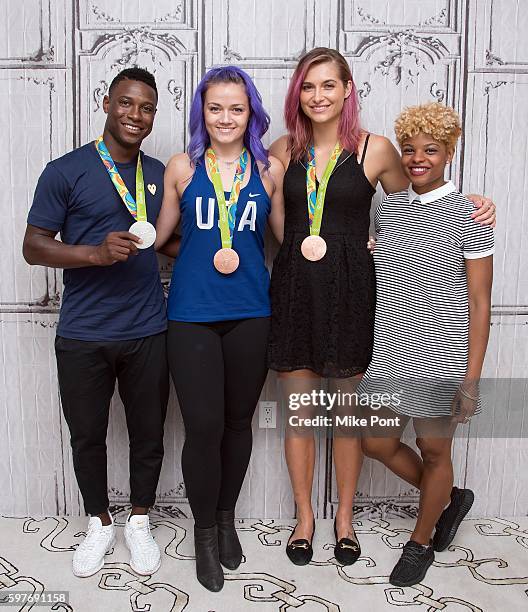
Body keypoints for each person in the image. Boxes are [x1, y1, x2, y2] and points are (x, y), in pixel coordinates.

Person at [267, 47, 496, 567]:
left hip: (353, 297)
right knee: (300, 417)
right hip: (296, 290)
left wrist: (477, 204)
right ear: (297, 94)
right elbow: (260, 204)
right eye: (308, 86)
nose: (318, 95)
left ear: (348, 89)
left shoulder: (377, 149)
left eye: (329, 84)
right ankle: (305, 519)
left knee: (349, 419)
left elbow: (419, 199)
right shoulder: (283, 149)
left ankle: (344, 521)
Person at [22, 68, 169, 578]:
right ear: (107, 103)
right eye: (127, 103)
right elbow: (33, 246)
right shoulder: (65, 170)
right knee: (87, 435)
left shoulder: (159, 173)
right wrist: (93, 252)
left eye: (147, 108)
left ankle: (141, 521)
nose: (136, 115)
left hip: (149, 327)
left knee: (148, 433)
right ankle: (99, 522)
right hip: (84, 331)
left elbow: (167, 237)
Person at [155, 66, 284, 592]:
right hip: (191, 316)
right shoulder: (182, 167)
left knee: (238, 424)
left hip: (252, 312)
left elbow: (289, 240)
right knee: (202, 428)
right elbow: (159, 235)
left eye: (236, 108)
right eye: (215, 108)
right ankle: (204, 533)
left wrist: (362, 245)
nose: (225, 117)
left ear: (250, 112)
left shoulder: (268, 168)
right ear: (201, 113)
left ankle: (226, 519)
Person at [359, 102, 493, 586]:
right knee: (376, 441)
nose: (418, 159)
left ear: (448, 152)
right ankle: (450, 498)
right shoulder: (389, 208)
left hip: (444, 355)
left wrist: (471, 381)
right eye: (410, 150)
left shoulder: (470, 213)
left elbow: (480, 303)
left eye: (430, 150)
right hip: (391, 350)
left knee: (433, 451)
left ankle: (420, 544)